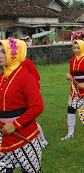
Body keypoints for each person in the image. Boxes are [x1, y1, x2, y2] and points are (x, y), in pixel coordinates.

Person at [0, 38, 44, 172]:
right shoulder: (2, 76)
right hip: (3, 134)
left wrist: (15, 124)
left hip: (23, 135)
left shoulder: (25, 76)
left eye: (3, 52)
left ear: (14, 53)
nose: (0, 56)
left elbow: (37, 106)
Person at [61, 40, 84, 140]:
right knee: (71, 108)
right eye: (74, 48)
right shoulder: (72, 60)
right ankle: (70, 132)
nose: (76, 50)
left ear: (83, 48)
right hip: (75, 90)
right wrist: (69, 76)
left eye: (78, 47)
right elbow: (72, 74)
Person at [18, 40, 48, 148]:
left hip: (28, 95)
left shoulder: (26, 62)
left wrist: (30, 89)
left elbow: (36, 77)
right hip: (18, 96)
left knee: (30, 119)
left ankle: (42, 140)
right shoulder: (10, 65)